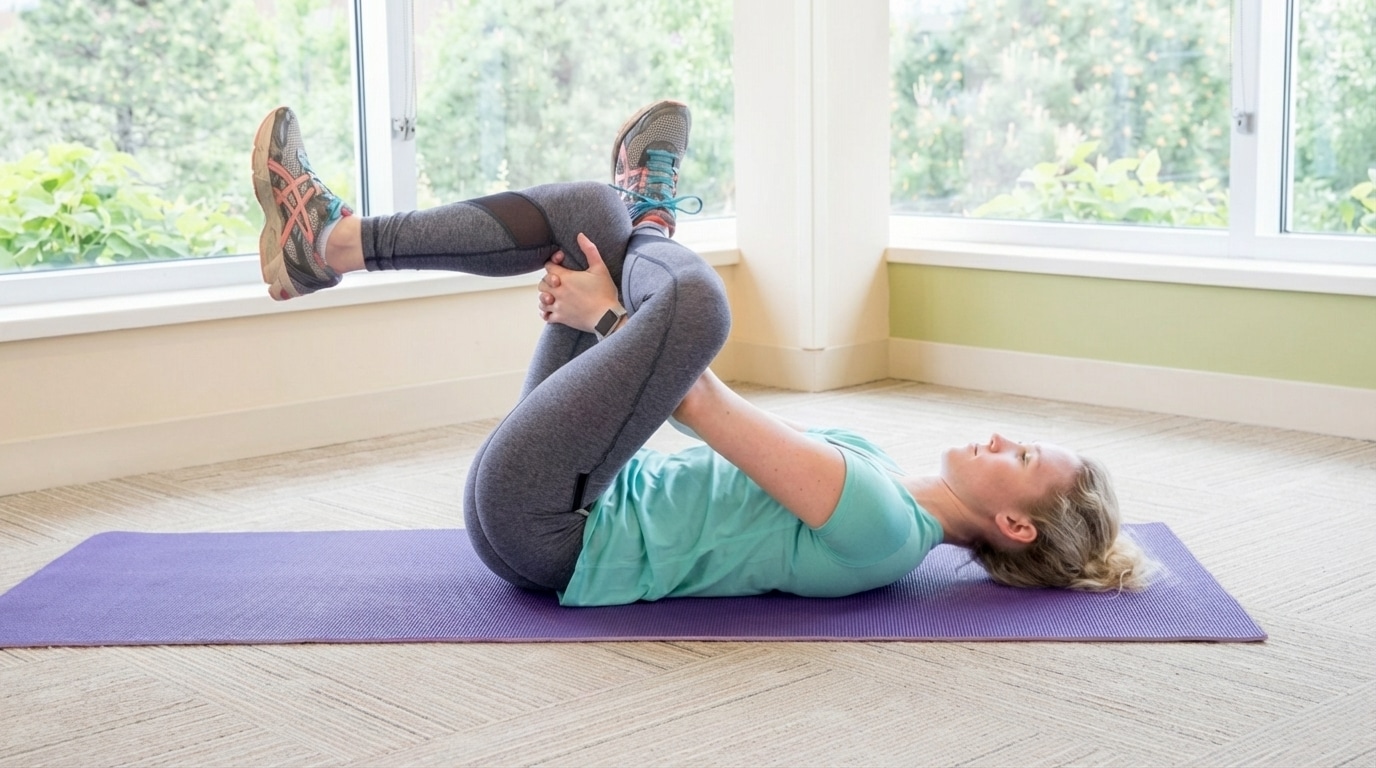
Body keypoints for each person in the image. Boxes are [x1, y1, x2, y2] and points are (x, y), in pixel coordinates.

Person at [251, 101, 1153, 606]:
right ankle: (331, 243)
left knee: (697, 308)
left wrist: (610, 321)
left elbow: (700, 406)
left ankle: (652, 218)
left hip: (552, 528)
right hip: (557, 498)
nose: (1003, 439)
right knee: (588, 223)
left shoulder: (885, 531)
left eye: (1023, 458)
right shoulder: (882, 480)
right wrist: (607, 324)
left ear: (1017, 527)